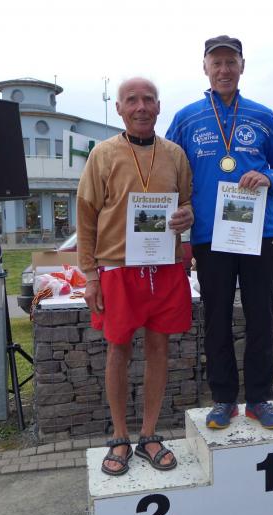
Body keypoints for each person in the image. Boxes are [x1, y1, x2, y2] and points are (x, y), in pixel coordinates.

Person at [167, 36, 273, 430]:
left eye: (231, 62)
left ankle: (259, 399)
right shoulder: (187, 118)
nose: (224, 70)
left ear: (242, 66)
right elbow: (168, 170)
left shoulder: (262, 115)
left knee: (261, 318)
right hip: (209, 237)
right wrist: (178, 209)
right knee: (217, 320)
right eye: (216, 62)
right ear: (205, 68)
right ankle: (224, 400)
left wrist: (269, 178)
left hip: (259, 234)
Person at [76, 77, 194, 475]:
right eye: (132, 100)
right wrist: (90, 275)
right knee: (118, 350)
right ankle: (120, 436)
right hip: (117, 268)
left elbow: (187, 202)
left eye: (148, 99)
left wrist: (187, 216)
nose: (141, 106)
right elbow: (86, 215)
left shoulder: (175, 154)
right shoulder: (103, 154)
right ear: (120, 109)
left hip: (164, 266)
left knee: (159, 349)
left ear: (159, 107)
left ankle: (148, 434)